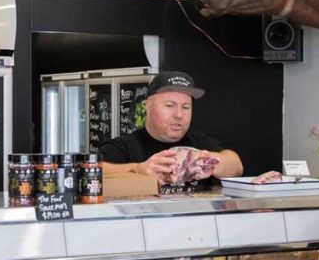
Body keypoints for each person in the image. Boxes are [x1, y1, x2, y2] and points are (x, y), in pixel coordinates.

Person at [100, 71, 243, 182]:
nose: (179, 115)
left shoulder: (199, 142)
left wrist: (210, 161)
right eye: (170, 105)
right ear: (147, 106)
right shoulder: (124, 147)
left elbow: (236, 166)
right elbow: (95, 170)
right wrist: (138, 170)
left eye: (186, 107)